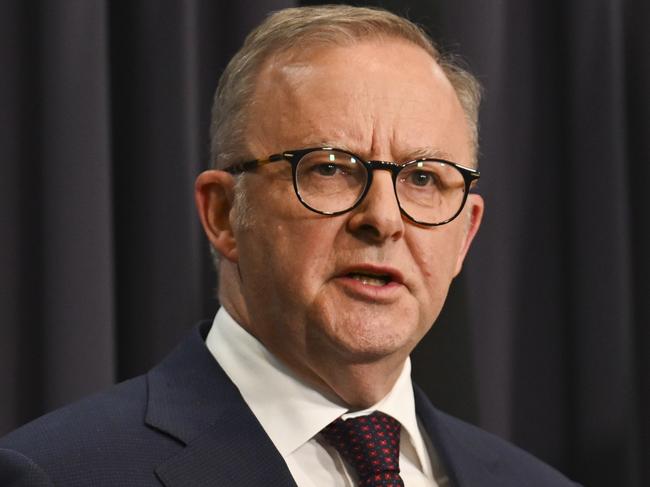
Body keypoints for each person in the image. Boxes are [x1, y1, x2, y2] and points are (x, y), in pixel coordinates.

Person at [0, 5, 580, 486]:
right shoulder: (58, 472)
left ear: (465, 236)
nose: (382, 218)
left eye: (423, 179)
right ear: (224, 214)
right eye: (330, 169)